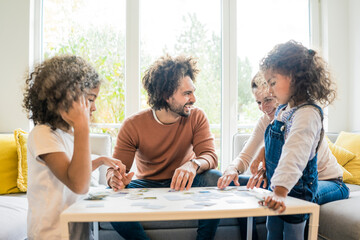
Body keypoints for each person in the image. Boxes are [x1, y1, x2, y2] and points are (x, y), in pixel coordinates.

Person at [218, 69, 349, 239]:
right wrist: (232, 169)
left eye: (268, 100)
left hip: (327, 182)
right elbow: (245, 157)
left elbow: (296, 160)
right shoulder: (268, 120)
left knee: (293, 198)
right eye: (258, 102)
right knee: (244, 187)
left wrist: (267, 161)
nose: (263, 108)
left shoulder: (302, 117)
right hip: (288, 181)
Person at [106, 54, 222, 240]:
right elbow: (116, 169)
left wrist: (193, 164)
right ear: (166, 96)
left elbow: (210, 156)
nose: (193, 98)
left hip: (185, 183)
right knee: (110, 197)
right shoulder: (133, 125)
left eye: (193, 91)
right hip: (147, 184)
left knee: (215, 177)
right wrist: (114, 178)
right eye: (186, 93)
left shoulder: (197, 116)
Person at [23, 55, 125, 240]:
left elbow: (71, 169)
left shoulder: (67, 134)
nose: (93, 108)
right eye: (91, 99)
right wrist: (82, 126)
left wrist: (101, 161)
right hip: (51, 235)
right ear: (65, 98)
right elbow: (78, 184)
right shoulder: (43, 134)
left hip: (76, 233)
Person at [256, 40, 341, 240]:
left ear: (294, 78)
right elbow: (274, 144)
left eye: (273, 82)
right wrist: (261, 162)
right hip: (279, 186)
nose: (269, 90)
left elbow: (294, 154)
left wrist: (279, 191)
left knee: (292, 234)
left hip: (296, 189)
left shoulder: (307, 114)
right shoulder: (283, 111)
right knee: (273, 231)